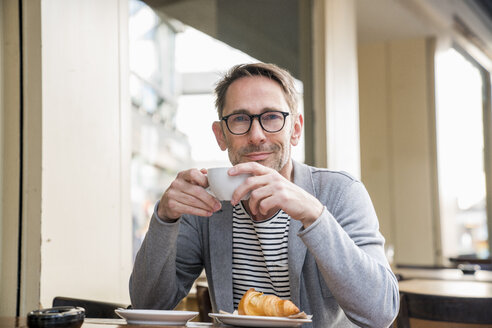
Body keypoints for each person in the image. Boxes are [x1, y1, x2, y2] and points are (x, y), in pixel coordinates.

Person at [130, 63, 399, 327]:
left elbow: (380, 313)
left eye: (271, 117)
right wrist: (164, 219)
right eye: (239, 119)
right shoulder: (206, 204)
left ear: (295, 130)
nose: (256, 135)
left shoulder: (340, 193)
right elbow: (148, 305)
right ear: (221, 135)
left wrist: (314, 216)